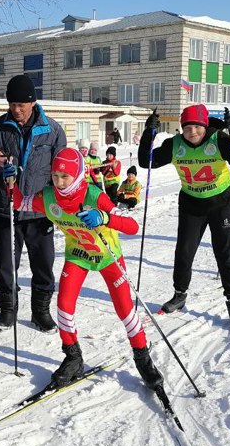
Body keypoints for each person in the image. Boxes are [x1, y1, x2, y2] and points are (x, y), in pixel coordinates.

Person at [12, 147, 162, 390]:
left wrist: (104, 218)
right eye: (55, 176)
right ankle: (73, 357)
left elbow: (132, 226)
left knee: (125, 310)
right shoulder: (49, 197)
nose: (59, 182)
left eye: (65, 177)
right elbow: (20, 203)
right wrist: (11, 179)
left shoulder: (93, 195)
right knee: (63, 307)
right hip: (78, 255)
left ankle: (143, 358)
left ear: (78, 175)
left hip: (107, 257)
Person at [137, 105, 230, 325]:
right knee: (184, 251)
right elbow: (147, 162)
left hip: (220, 202)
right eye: (188, 128)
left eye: (197, 127)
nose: (193, 132)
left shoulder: (218, 139)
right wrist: (148, 133)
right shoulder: (175, 145)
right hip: (191, 203)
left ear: (205, 126)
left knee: (225, 252)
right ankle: (180, 293)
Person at [0, 74, 66, 331]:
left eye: (21, 105)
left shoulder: (52, 129)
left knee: (44, 264)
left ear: (33, 102)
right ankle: (8, 311)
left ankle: (40, 312)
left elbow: (63, 169)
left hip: (40, 209)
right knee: (5, 265)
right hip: (7, 210)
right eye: (12, 104)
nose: (16, 110)